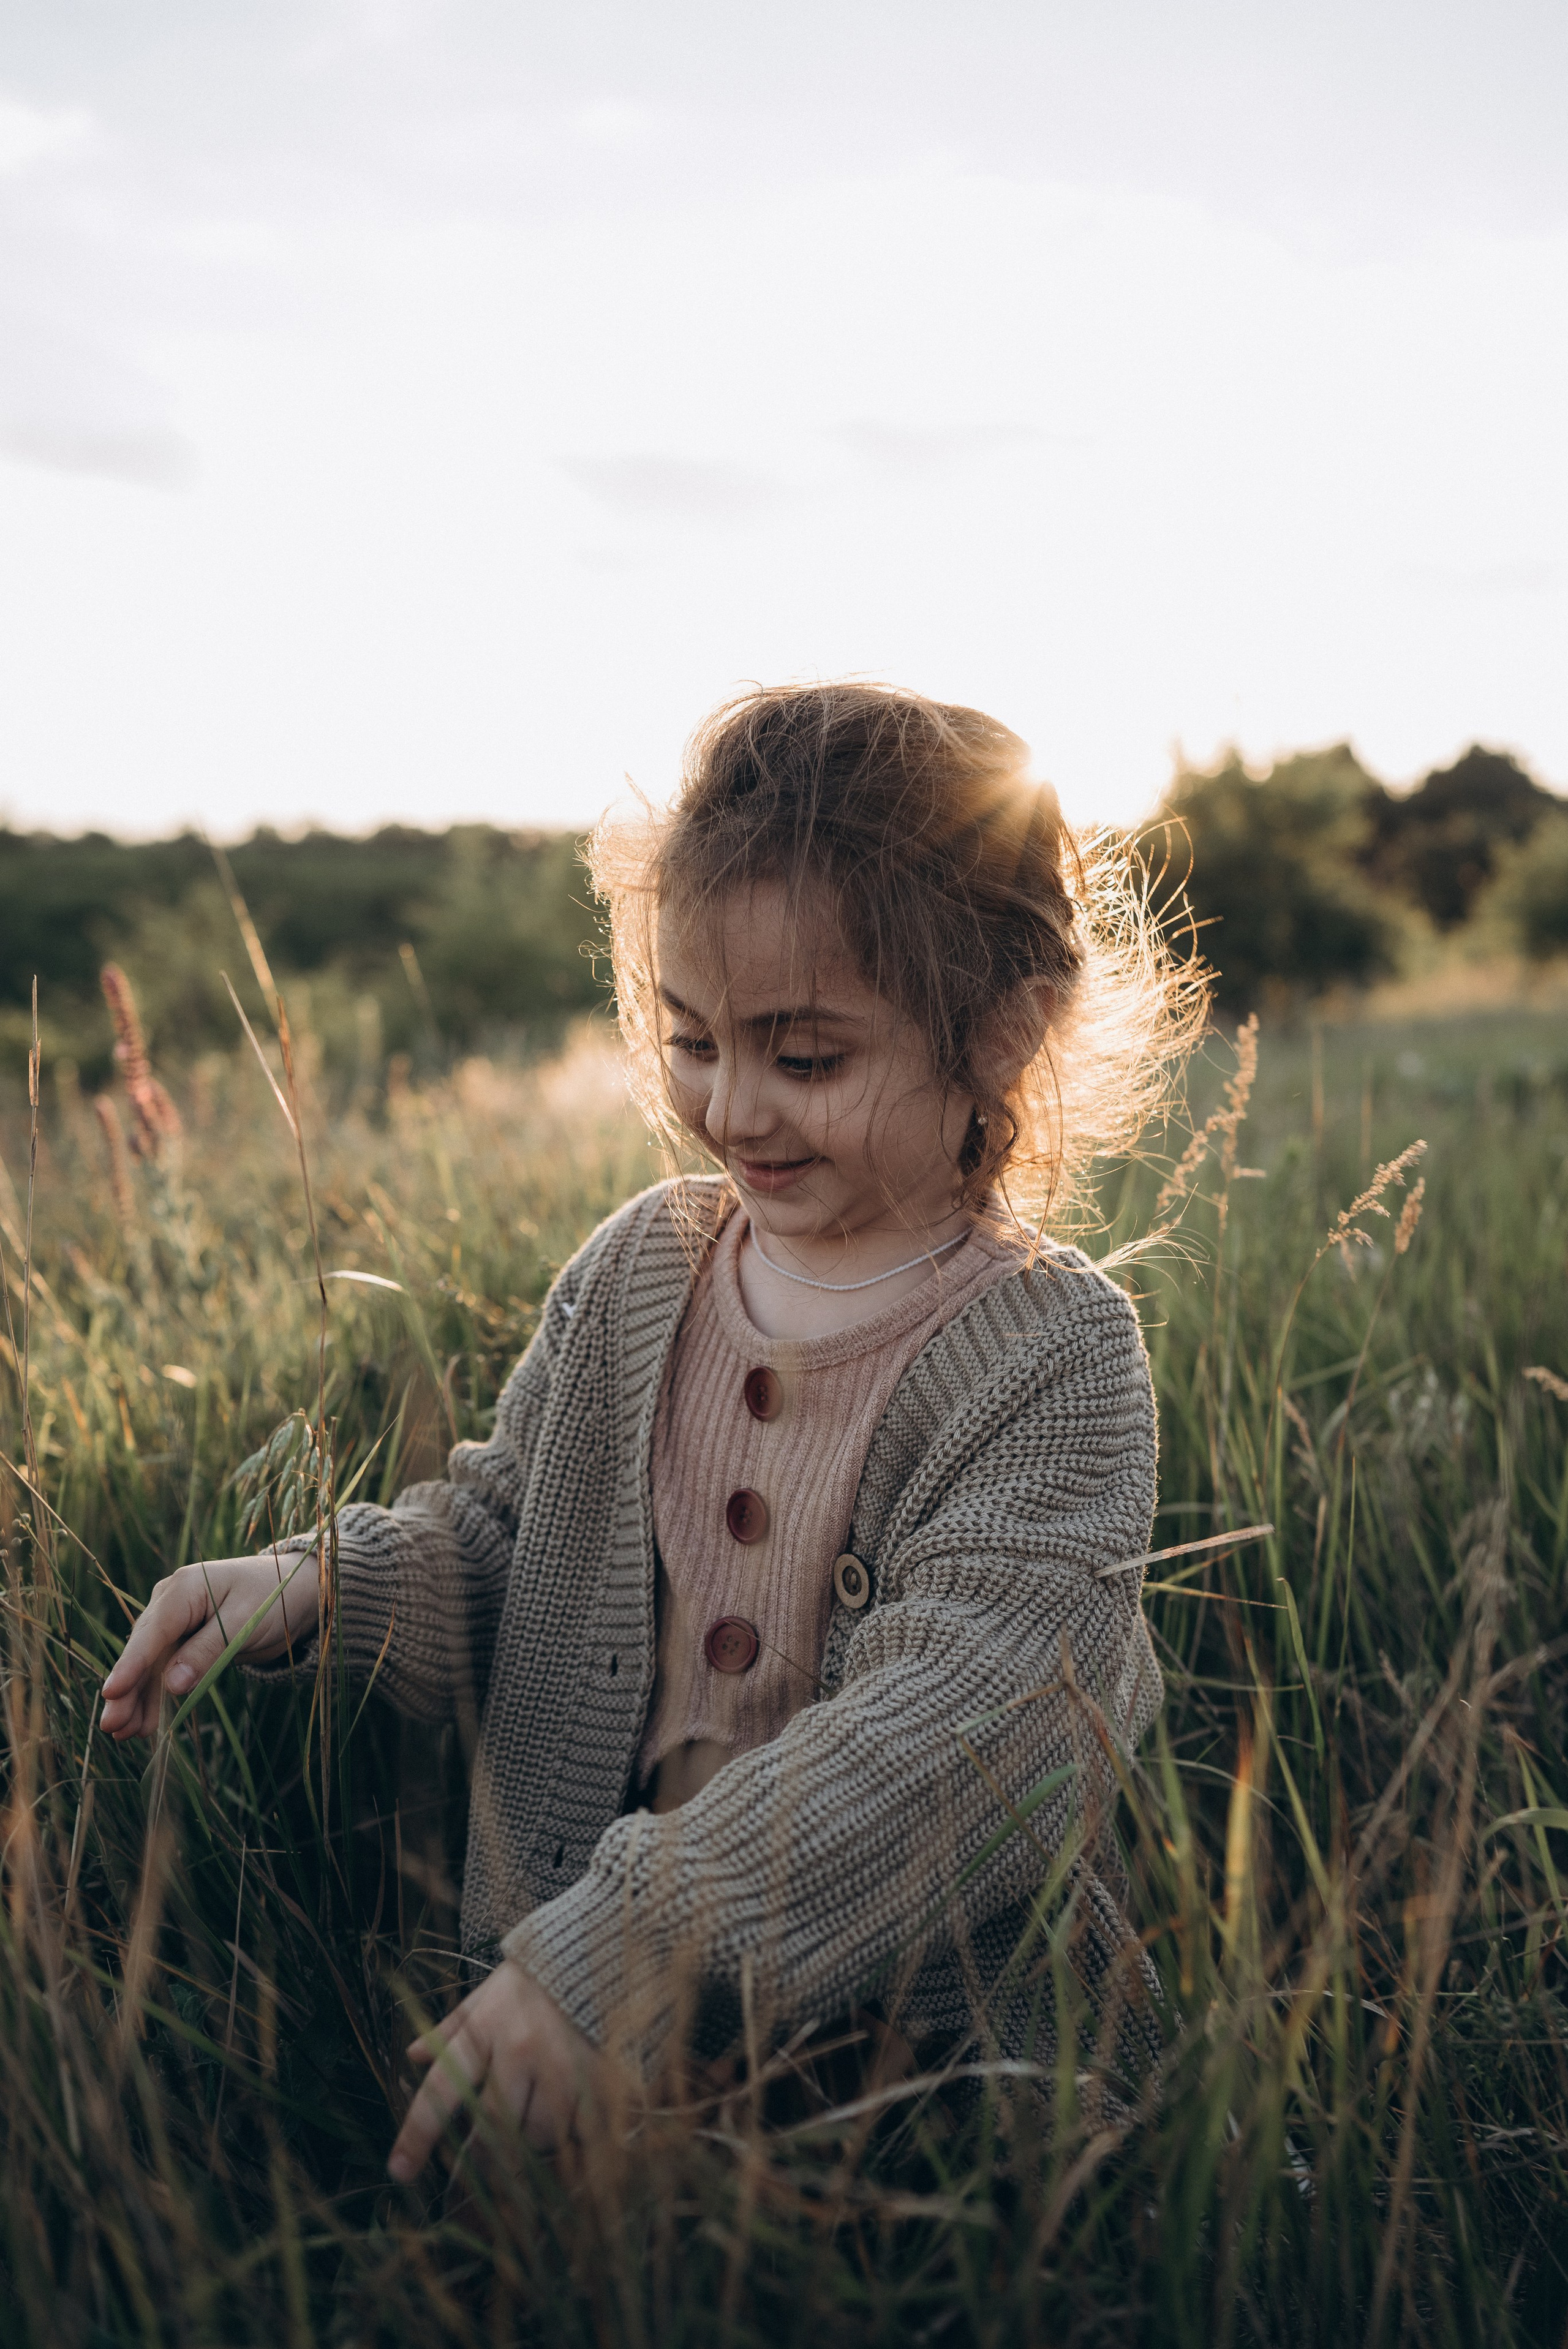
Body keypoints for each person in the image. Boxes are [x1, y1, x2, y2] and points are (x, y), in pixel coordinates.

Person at [100, 682, 1198, 2180]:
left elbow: (978, 1721)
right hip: (573, 2045)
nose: (732, 1108)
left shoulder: (1053, 1358)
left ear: (1005, 1029)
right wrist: (327, 1586)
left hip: (936, 2091)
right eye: (691, 1040)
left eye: (803, 1057)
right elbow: (506, 1536)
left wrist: (644, 1938)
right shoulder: (640, 1273)